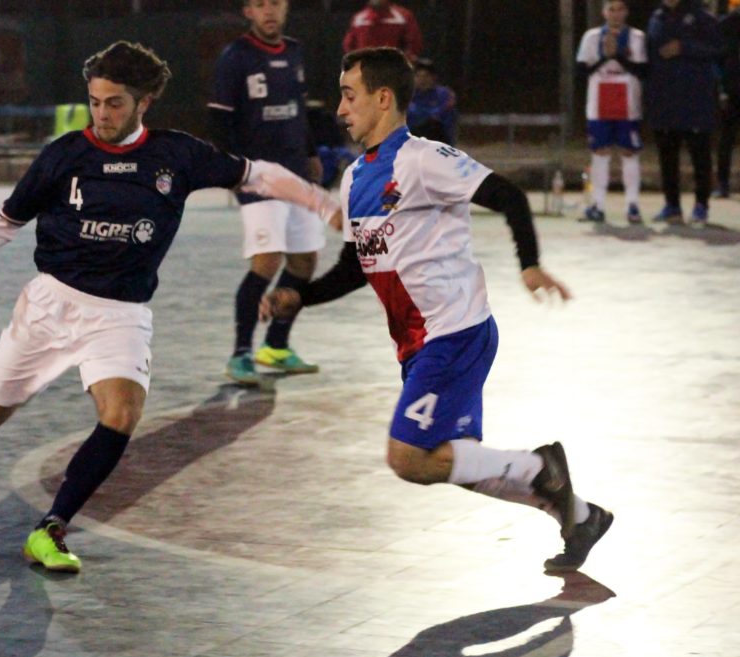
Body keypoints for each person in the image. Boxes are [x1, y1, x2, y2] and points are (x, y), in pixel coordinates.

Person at [0, 41, 339, 573]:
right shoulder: (65, 155)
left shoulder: (176, 156)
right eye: (95, 101)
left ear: (143, 102)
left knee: (123, 414)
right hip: (50, 305)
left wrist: (324, 204)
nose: (101, 114)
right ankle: (34, 375)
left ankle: (51, 529)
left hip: (120, 314)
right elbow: (5, 221)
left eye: (114, 104)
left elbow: (259, 175)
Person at [261, 47, 613, 573]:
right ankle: (579, 515)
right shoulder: (355, 177)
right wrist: (300, 297)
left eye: (349, 95)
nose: (339, 109)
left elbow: (509, 196)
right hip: (419, 343)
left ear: (383, 98)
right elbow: (357, 267)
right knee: (448, 462)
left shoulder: (425, 159)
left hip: (454, 334)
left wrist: (530, 264)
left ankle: (543, 467)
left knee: (407, 457)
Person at [209, 0, 325, 385]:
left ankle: (275, 346)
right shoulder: (235, 56)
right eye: (260, 4)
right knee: (267, 262)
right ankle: (240, 353)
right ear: (247, 12)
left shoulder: (293, 51)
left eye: (275, 3)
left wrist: (310, 152)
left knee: (305, 262)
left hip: (297, 174)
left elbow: (298, 109)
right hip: (259, 175)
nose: (269, 11)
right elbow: (219, 119)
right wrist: (233, 169)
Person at [645, 0, 723, 227]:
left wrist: (684, 47)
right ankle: (672, 206)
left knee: (700, 156)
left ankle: (701, 205)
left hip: (695, 101)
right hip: (664, 101)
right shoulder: (656, 18)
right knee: (667, 157)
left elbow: (718, 50)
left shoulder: (701, 17)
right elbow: (650, 55)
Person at [576, 0, 648, 224]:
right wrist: (606, 57)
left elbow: (642, 70)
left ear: (626, 12)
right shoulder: (591, 37)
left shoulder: (637, 37)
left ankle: (632, 205)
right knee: (600, 152)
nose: (616, 14)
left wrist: (618, 55)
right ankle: (597, 205)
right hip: (599, 102)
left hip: (628, 102)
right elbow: (582, 72)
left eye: (620, 9)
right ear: (604, 12)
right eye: (611, 9)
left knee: (629, 152)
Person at [714, 1, 740, 198]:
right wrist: (721, 87)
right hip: (732, 88)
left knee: (726, 138)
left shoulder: (725, 23)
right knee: (726, 137)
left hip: (730, 86)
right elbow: (716, 59)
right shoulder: (726, 24)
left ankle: (723, 184)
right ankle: (722, 183)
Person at [342, 0, 423, 60]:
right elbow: (349, 45)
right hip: (366, 69)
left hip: (393, 69)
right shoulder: (358, 18)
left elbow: (414, 44)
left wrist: (404, 62)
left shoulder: (403, 16)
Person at [406, 58, 457, 146]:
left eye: (426, 76)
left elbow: (443, 116)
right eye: (418, 76)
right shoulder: (407, 96)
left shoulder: (444, 94)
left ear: (434, 78)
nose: (423, 80)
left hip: (438, 144)